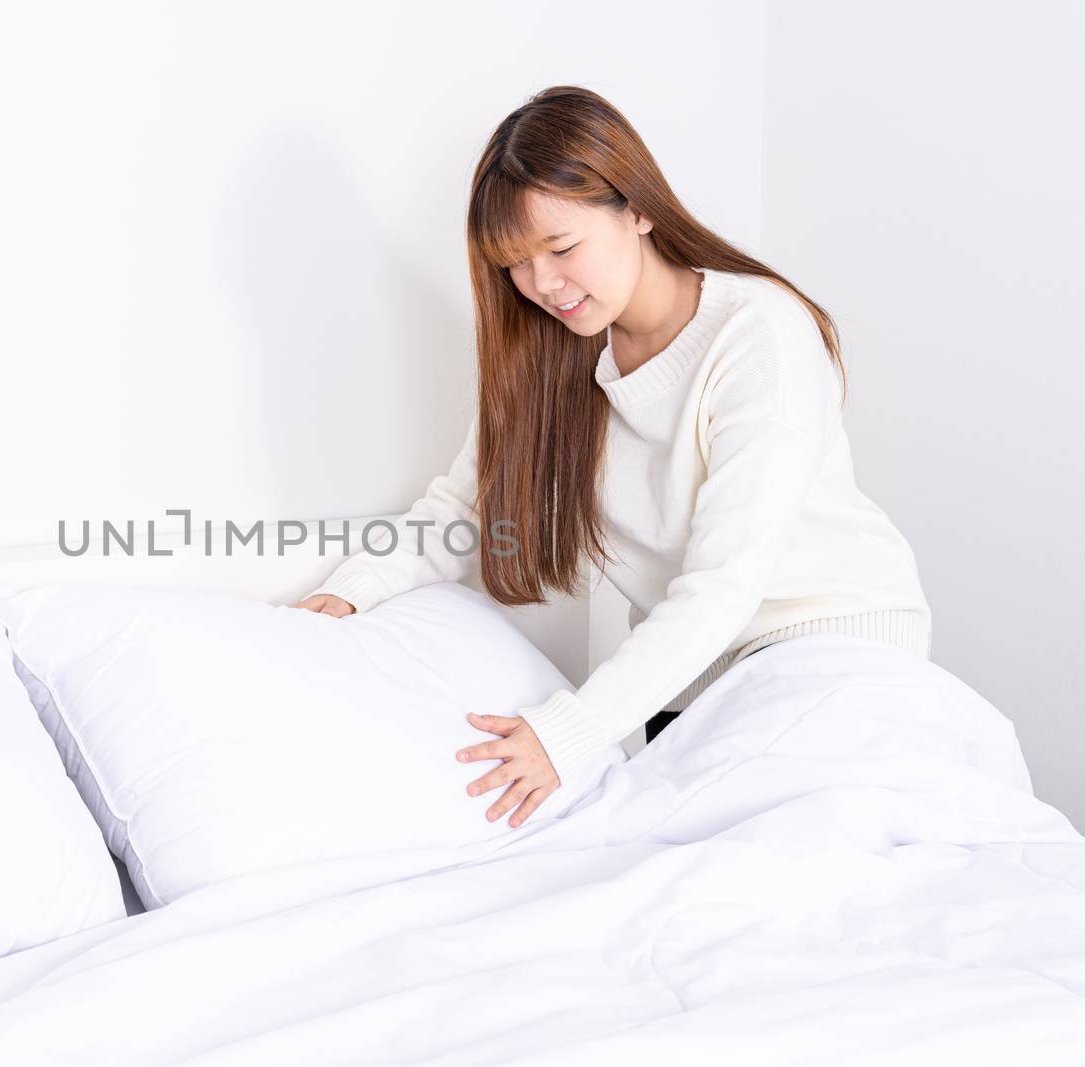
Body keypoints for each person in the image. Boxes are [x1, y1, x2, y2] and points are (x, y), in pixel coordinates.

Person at [288, 85, 932, 830]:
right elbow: (460, 509)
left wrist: (566, 735)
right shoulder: (554, 353)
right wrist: (350, 593)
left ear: (638, 208)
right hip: (692, 681)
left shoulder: (758, 334)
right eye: (515, 265)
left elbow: (724, 583)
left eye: (561, 248)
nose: (542, 285)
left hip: (829, 649)